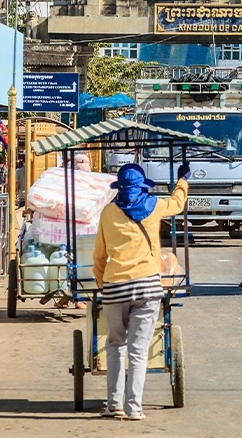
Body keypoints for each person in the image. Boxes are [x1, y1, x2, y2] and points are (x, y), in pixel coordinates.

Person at [93, 162, 190, 421]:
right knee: (138, 350)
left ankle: (113, 404)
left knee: (115, 345)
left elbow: (99, 257)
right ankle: (133, 407)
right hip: (148, 285)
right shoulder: (154, 206)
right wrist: (182, 180)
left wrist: (104, 285)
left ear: (120, 188)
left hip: (115, 287)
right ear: (142, 186)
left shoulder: (107, 213)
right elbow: (177, 203)